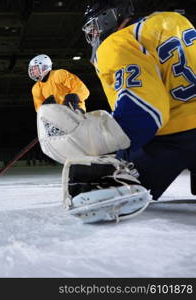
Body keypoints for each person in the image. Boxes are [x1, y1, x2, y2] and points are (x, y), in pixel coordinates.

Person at [36, 0, 196, 223]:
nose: (92, 35)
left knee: (98, 179)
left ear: (108, 17)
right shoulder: (176, 20)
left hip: (173, 137)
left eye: (92, 28)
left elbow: (145, 111)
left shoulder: (117, 42)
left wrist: (105, 146)